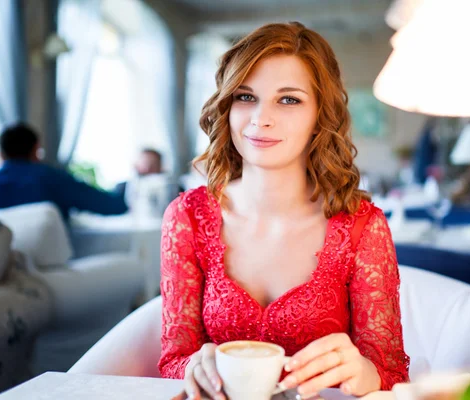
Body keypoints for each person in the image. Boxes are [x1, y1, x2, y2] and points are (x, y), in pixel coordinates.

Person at [161, 22, 409, 400]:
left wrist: (366, 371)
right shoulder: (187, 217)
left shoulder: (363, 226)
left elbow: (389, 371)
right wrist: (194, 365)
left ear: (319, 116)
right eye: (245, 97)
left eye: (288, 99)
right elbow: (172, 360)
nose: (261, 118)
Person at [0, 123, 128, 220]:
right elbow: (109, 206)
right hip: (45, 267)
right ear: (36, 150)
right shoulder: (50, 178)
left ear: (1, 154)